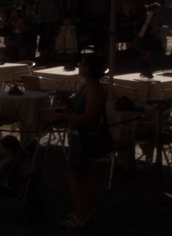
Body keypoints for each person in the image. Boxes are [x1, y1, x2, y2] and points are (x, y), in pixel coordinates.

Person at [61, 55, 111, 228]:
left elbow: (89, 116)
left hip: (83, 137)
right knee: (85, 174)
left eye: (81, 64)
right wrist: (66, 101)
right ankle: (86, 211)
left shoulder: (95, 90)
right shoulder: (86, 86)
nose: (79, 66)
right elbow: (78, 107)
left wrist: (62, 116)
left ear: (89, 68)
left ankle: (79, 215)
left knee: (73, 175)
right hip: (78, 135)